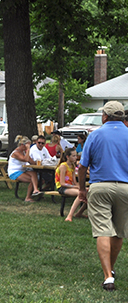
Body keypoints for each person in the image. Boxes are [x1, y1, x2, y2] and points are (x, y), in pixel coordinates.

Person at [78, 101, 128, 292]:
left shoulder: (95, 134)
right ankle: (112, 269)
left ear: (104, 116)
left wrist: (82, 189)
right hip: (125, 187)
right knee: (119, 232)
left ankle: (108, 276)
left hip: (100, 186)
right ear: (122, 116)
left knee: (102, 230)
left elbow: (83, 166)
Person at [8, 135, 43, 202]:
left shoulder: (24, 152)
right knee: (32, 180)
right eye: (27, 145)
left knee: (34, 174)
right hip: (14, 172)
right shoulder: (16, 153)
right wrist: (28, 150)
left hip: (23, 170)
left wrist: (39, 163)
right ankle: (28, 197)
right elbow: (25, 159)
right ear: (22, 145)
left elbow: (31, 161)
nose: (28, 147)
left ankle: (35, 190)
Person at [56, 148, 87, 221]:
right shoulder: (63, 166)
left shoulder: (72, 166)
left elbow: (74, 181)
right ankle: (70, 215)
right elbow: (62, 183)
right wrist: (75, 187)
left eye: (76, 156)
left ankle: (79, 213)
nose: (76, 157)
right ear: (67, 157)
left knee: (88, 193)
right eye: (73, 156)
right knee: (80, 193)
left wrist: (80, 186)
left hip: (70, 187)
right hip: (62, 188)